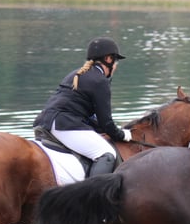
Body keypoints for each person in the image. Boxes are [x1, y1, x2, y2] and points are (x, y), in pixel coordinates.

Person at [34, 36, 131, 177]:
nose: (115, 66)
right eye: (115, 61)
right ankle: (90, 196)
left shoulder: (76, 74)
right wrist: (122, 134)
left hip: (45, 121)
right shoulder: (100, 80)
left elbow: (86, 114)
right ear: (109, 59)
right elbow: (106, 123)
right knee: (107, 154)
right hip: (65, 124)